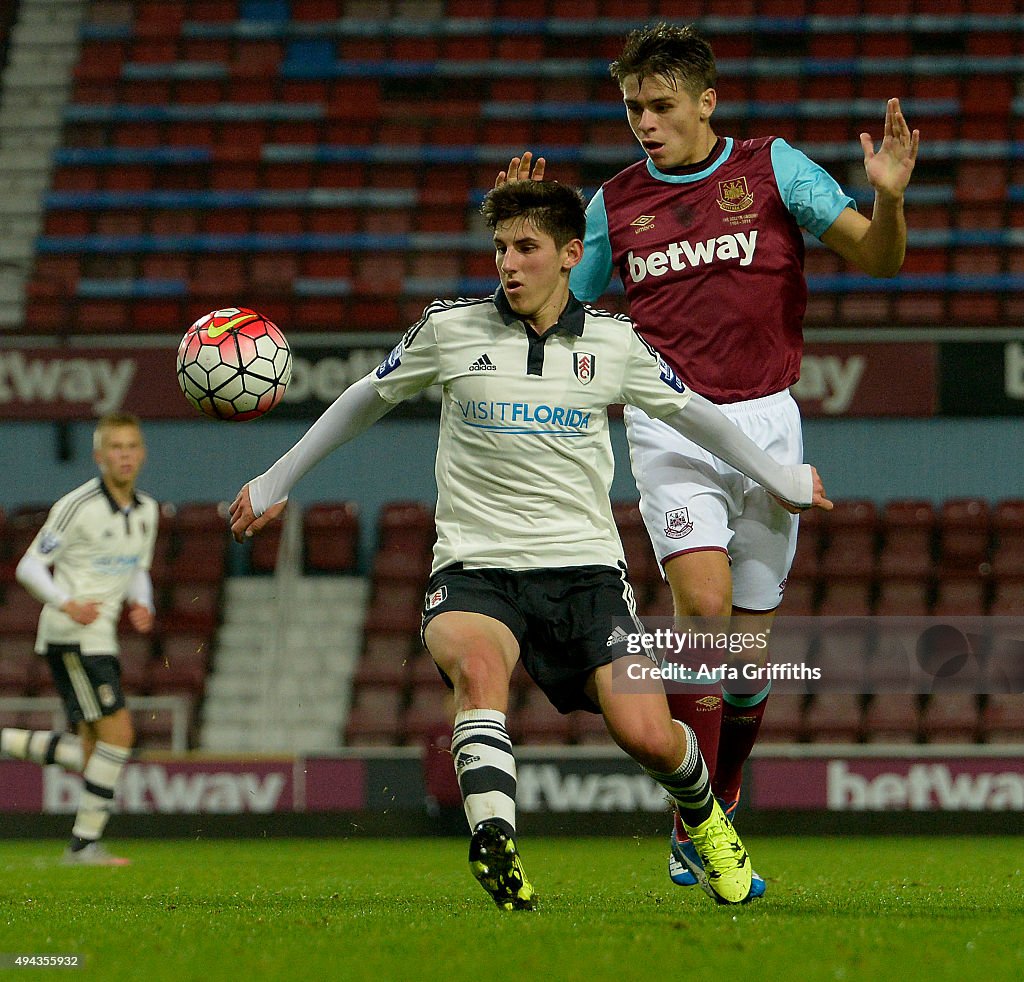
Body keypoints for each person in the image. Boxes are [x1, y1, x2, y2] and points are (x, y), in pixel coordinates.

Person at [229, 180, 832, 909]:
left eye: (526, 249)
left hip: (585, 576)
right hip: (475, 566)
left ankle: (706, 821)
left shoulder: (613, 342)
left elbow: (697, 414)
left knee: (648, 734)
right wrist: (275, 478)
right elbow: (365, 397)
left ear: (571, 256)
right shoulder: (450, 329)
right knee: (478, 671)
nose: (508, 264)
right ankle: (494, 841)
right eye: (500, 248)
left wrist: (778, 473)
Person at [498, 23, 919, 898]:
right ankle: (701, 822)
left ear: (705, 101)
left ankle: (716, 795)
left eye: (659, 106)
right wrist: (527, 228)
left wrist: (889, 200)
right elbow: (542, 311)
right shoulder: (614, 205)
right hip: (669, 425)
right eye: (632, 108)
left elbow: (880, 260)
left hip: (768, 421)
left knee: (744, 658)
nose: (644, 122)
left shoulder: (774, 170)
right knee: (704, 606)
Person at [2, 412, 158, 866]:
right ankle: (84, 846)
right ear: (99, 456)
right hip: (72, 635)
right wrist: (65, 601)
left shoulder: (147, 511)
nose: (124, 455)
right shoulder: (78, 505)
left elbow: (137, 569)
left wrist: (141, 602)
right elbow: (28, 566)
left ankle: (8, 743)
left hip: (101, 636)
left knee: (94, 755)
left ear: (142, 454)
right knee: (119, 736)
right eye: (116, 447)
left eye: (131, 446)